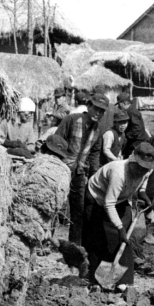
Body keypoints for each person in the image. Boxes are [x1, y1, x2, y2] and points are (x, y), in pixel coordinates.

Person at [84, 142, 154, 287]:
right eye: (140, 167)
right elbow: (109, 203)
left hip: (121, 199)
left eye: (145, 168)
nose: (142, 171)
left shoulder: (147, 169)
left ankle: (124, 282)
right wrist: (120, 228)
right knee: (99, 237)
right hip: (97, 197)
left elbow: (145, 178)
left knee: (124, 241)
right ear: (133, 160)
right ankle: (94, 279)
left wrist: (142, 191)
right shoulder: (119, 173)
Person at [55, 94, 108, 245]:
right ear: (89, 106)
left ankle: (74, 245)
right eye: (96, 109)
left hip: (79, 172)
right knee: (54, 206)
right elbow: (57, 142)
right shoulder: (71, 120)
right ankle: (45, 241)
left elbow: (95, 154)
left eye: (102, 111)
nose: (98, 113)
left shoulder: (97, 131)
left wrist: (93, 175)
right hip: (61, 168)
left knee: (79, 210)